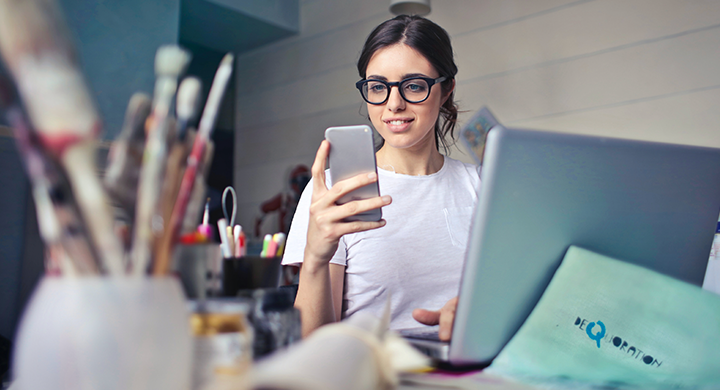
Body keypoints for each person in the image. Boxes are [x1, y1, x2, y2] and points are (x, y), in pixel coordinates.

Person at [282, 15, 481, 340]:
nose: (394, 104)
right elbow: (313, 344)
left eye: (414, 85)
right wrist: (315, 257)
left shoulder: (482, 187)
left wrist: (479, 313)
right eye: (378, 87)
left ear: (446, 90)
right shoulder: (334, 192)